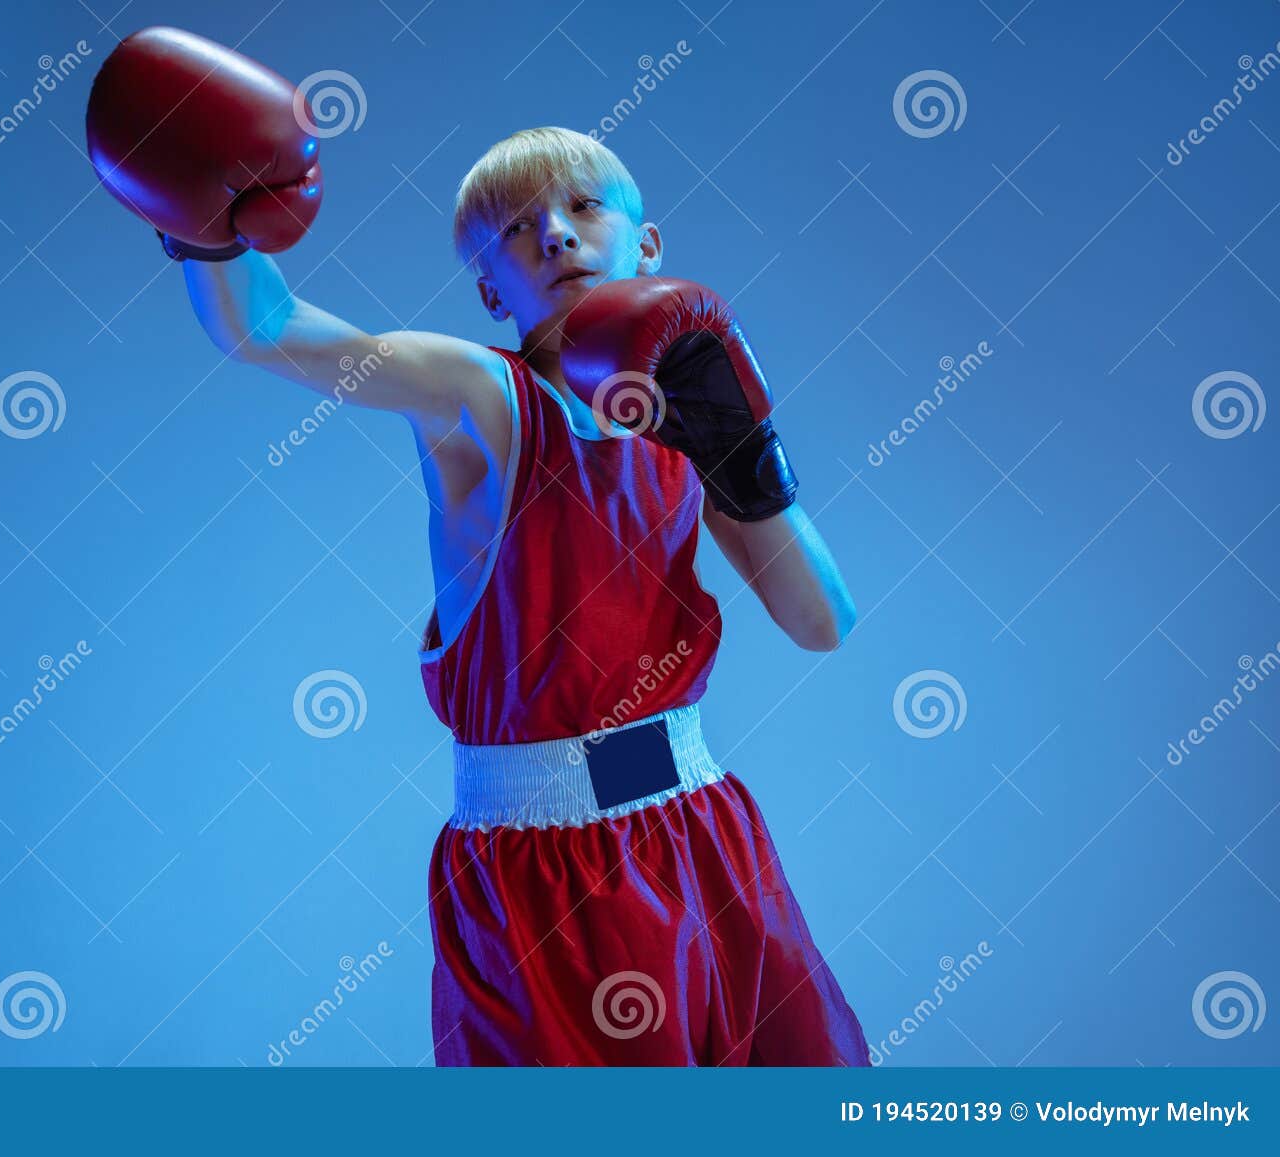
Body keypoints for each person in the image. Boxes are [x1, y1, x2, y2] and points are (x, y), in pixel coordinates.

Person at [87, 27, 869, 1066]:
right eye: (514, 230)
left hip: (704, 832)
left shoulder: (686, 405)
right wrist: (212, 235)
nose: (554, 233)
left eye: (584, 206)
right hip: (542, 872)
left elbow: (821, 622)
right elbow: (268, 330)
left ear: (647, 247)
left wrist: (743, 450)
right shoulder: (480, 399)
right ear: (492, 292)